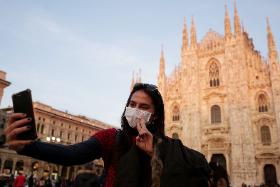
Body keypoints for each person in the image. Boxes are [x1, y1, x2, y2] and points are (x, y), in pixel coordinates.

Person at [4, 83, 210, 187]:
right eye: (132, 104)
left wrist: (155, 153)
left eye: (144, 106)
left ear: (154, 116)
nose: (135, 110)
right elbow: (72, 155)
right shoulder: (112, 138)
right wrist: (28, 146)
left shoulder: (169, 146)